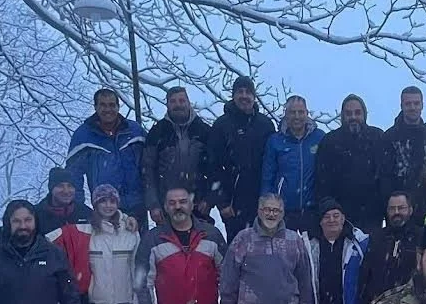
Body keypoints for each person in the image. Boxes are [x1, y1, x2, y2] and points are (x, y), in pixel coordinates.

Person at [207, 76, 276, 244]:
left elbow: (273, 162)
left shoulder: (265, 124)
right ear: (234, 95)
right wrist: (222, 202)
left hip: (260, 200)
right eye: (240, 92)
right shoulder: (222, 125)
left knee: (265, 248)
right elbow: (212, 165)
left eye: (248, 92)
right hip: (233, 203)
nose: (244, 96)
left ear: (254, 96)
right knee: (238, 249)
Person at [66, 88, 147, 223]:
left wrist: (151, 199)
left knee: (139, 243)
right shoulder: (83, 136)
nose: (108, 109)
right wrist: (78, 208)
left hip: (137, 206)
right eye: (103, 105)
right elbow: (73, 175)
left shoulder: (134, 131)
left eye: (112, 105)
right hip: (104, 207)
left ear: (118, 106)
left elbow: (150, 164)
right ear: (95, 107)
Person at [142, 86, 212, 227]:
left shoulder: (204, 131)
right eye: (173, 101)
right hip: (167, 206)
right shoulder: (157, 132)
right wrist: (153, 204)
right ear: (167, 105)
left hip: (198, 204)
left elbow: (214, 167)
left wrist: (209, 199)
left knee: (201, 246)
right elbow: (147, 170)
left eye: (181, 100)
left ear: (188, 102)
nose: (178, 104)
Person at [316, 94, 385, 234]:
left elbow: (385, 176)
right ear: (342, 116)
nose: (353, 117)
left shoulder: (378, 137)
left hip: (372, 217)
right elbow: (322, 183)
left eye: (357, 113)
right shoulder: (329, 142)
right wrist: (330, 210)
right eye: (348, 113)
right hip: (339, 218)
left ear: (364, 115)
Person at [260, 95, 325, 235]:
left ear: (307, 114)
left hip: (312, 211)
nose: (297, 116)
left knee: (310, 254)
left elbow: (328, 171)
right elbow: (268, 176)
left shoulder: (319, 138)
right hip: (284, 211)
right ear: (286, 115)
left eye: (301, 112)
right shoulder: (275, 141)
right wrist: (265, 205)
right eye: (292, 112)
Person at [379, 86, 426, 223]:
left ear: (422, 105)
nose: (412, 107)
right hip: (398, 209)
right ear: (401, 105)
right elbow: (384, 176)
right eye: (408, 104)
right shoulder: (389, 137)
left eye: (416, 103)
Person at [357, 191, 419, 304]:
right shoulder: (376, 237)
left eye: (401, 208)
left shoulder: (421, 237)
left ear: (410, 210)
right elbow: (365, 274)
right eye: (392, 208)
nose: (396, 212)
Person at [35, 167, 93, 238]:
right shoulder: (36, 215)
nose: (66, 191)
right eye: (60, 186)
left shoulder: (86, 213)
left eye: (70, 186)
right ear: (51, 189)